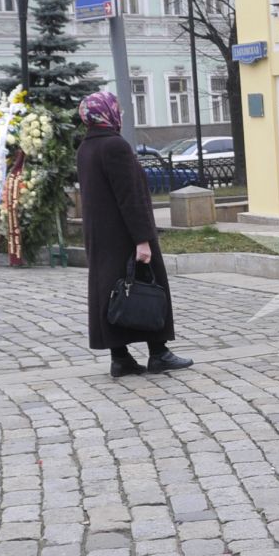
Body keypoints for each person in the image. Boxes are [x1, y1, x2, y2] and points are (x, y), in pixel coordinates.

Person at [75, 89, 192, 377]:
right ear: (107, 113)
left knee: (111, 293)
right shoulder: (115, 146)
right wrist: (142, 239)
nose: (122, 114)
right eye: (118, 109)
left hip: (99, 237)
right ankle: (159, 353)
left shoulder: (85, 148)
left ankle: (120, 357)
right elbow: (130, 197)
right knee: (150, 288)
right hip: (125, 235)